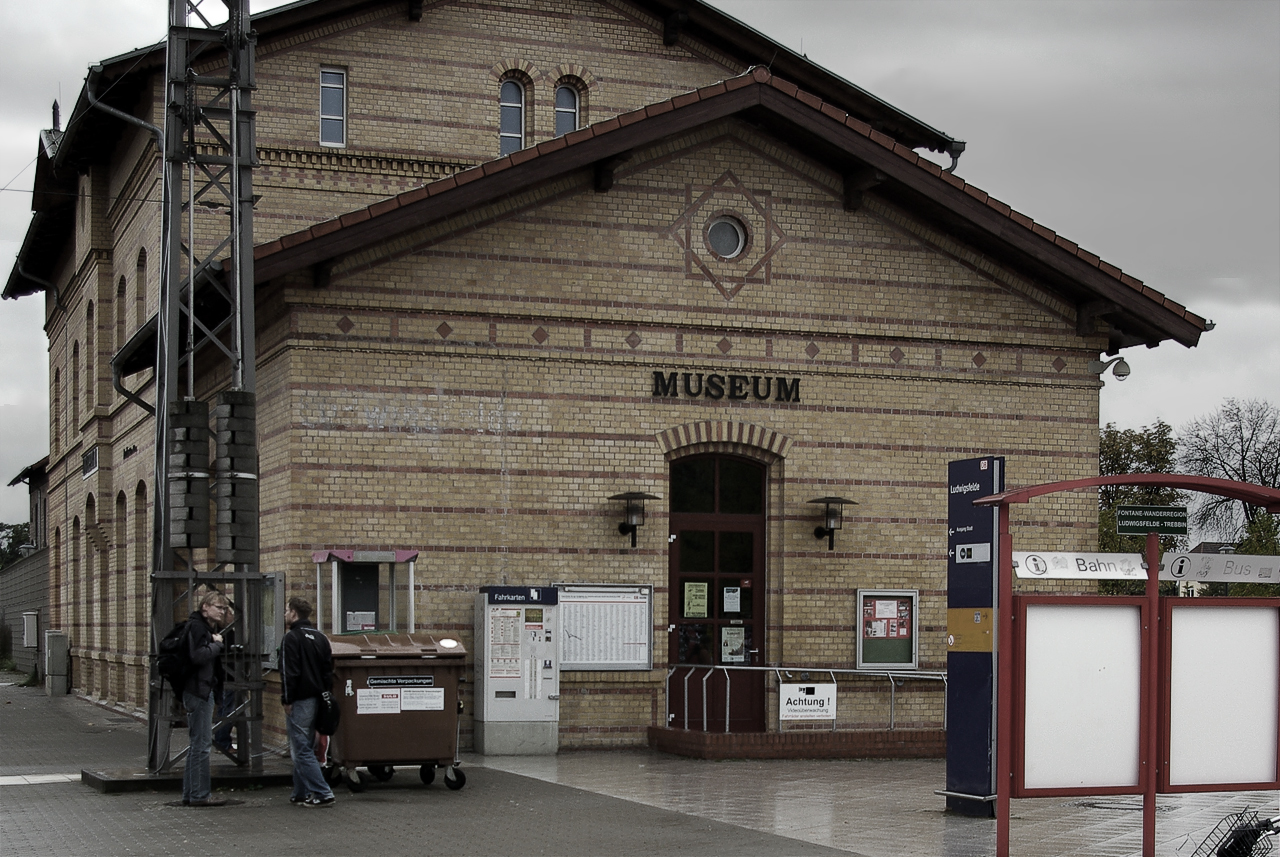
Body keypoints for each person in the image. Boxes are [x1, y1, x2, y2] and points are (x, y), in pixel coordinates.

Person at [281, 596, 336, 807]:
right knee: (306, 745)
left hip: (300, 699)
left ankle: (322, 792)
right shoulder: (320, 637)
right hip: (318, 699)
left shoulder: (291, 638)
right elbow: (327, 672)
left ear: (294, 613)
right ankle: (300, 792)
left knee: (300, 748)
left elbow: (289, 673)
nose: (286, 614)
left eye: (287, 610)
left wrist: (287, 699)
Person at [182, 589, 229, 807]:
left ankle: (191, 793)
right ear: (205, 607)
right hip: (198, 690)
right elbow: (198, 656)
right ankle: (200, 794)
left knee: (197, 744)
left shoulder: (202, 627)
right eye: (219, 607)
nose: (222, 611)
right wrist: (217, 644)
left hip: (199, 689)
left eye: (225, 608)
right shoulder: (198, 628)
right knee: (201, 744)